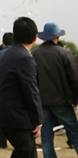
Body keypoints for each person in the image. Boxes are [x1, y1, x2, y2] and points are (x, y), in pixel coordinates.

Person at [0, 17, 42, 158]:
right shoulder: (25, 58)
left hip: (5, 113)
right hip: (19, 117)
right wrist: (38, 120)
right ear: (35, 37)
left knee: (22, 152)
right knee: (27, 153)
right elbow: (31, 91)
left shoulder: (6, 54)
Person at [32, 23, 78, 158]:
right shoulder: (65, 53)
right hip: (62, 100)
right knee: (74, 132)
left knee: (46, 135)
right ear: (57, 37)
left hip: (42, 101)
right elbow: (74, 78)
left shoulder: (34, 54)